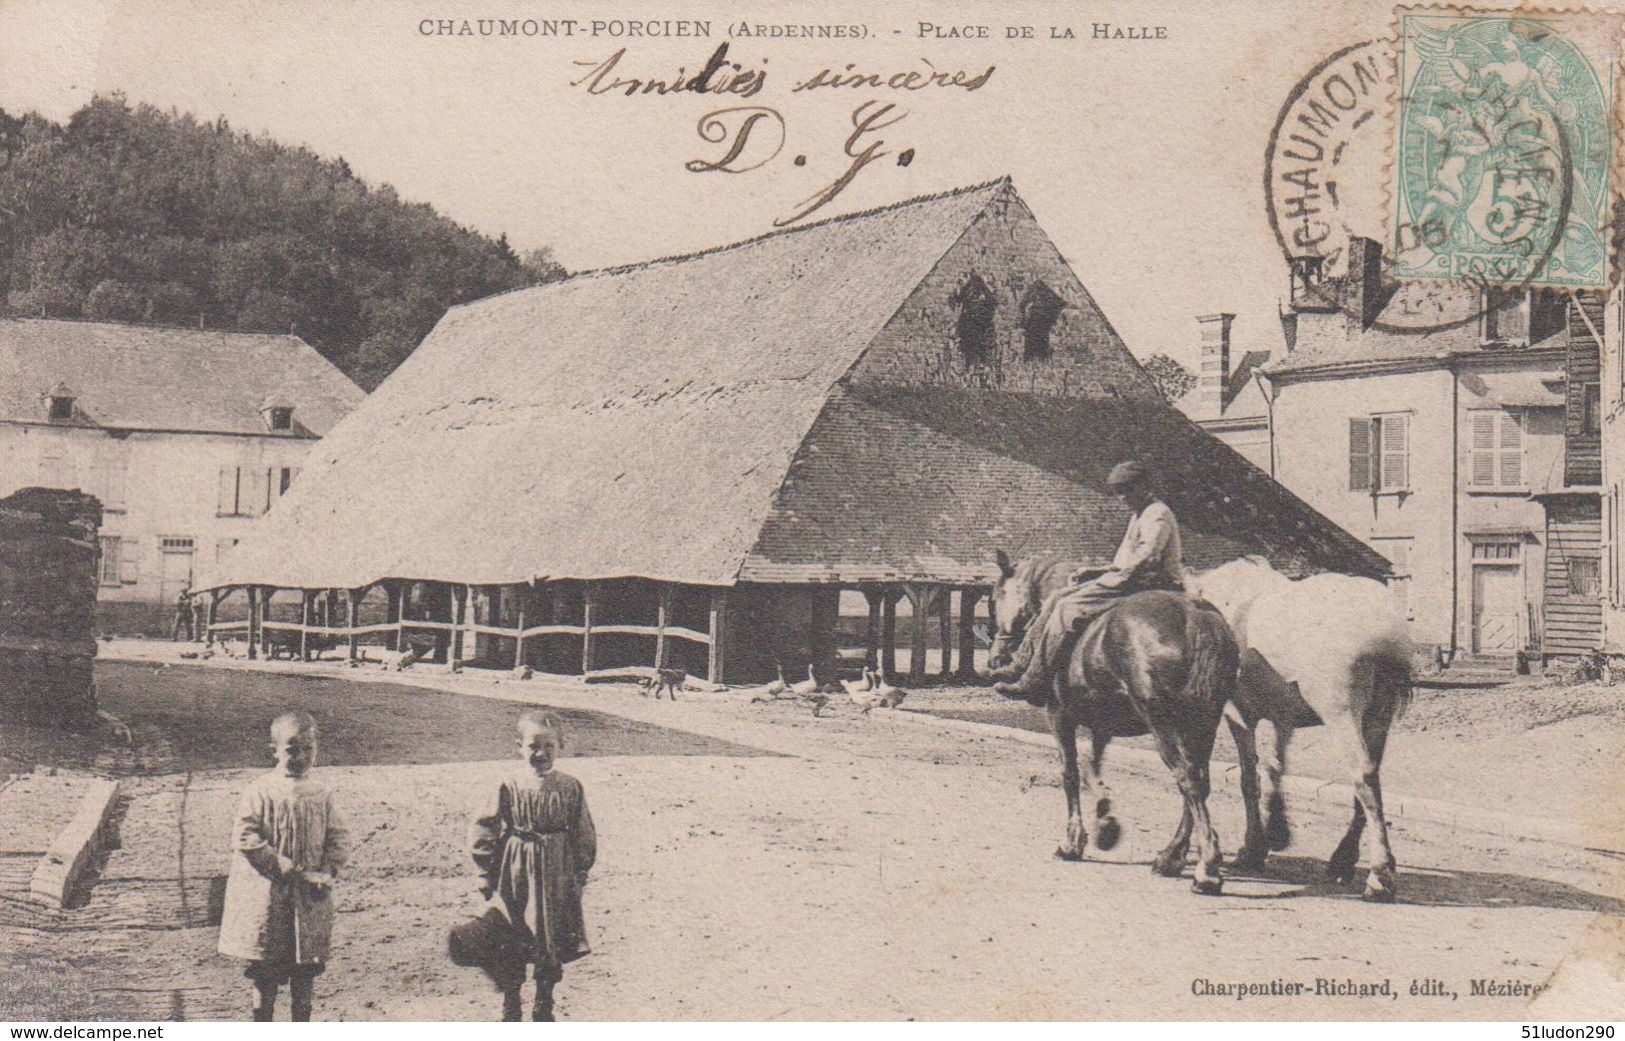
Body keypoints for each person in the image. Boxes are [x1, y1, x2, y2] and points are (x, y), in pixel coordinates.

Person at [992, 461, 1186, 706]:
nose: (1122, 498)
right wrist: (1094, 572)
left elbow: (1149, 556)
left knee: (1066, 609)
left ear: (1144, 487)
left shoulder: (1156, 513)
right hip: (1133, 578)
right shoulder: (1140, 514)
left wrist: (1112, 579)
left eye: (1127, 491)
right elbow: (1126, 560)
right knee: (1056, 598)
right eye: (1119, 492)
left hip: (1150, 582)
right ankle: (1021, 662)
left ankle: (1035, 679)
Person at [455, 709, 596, 1022]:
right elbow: (485, 825)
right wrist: (483, 871)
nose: (541, 753)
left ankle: (544, 1002)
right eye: (533, 745)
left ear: (561, 746)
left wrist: (580, 871)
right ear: (519, 746)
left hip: (557, 872)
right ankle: (511, 1003)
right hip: (515, 869)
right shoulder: (509, 784)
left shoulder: (571, 787)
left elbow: (583, 831)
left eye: (549, 746)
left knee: (551, 936)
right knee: (511, 934)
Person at [218, 710, 350, 1022]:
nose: (301, 756)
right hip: (269, 897)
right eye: (292, 749)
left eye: (308, 748)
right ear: (275, 751)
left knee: (305, 969)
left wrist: (328, 870)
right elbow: (245, 835)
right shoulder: (261, 790)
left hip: (308, 896)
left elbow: (339, 835)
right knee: (267, 968)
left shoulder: (322, 793)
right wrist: (281, 865)